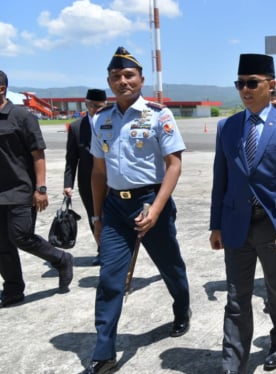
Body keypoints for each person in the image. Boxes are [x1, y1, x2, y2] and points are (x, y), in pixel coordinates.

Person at [84, 47, 191, 374]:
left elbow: (174, 165)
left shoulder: (159, 115)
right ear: (109, 81)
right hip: (116, 208)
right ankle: (104, 352)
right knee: (110, 279)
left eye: (129, 75)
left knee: (169, 265)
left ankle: (182, 308)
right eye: (116, 77)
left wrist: (157, 208)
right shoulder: (100, 119)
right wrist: (98, 217)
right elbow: (98, 174)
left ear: (141, 80)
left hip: (150, 200)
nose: (122, 81)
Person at [209, 53, 276, 374]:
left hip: (273, 226)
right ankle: (233, 365)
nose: (245, 89)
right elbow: (220, 180)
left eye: (252, 83)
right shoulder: (227, 127)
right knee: (237, 299)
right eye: (240, 84)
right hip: (236, 225)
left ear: (271, 84)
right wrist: (216, 225)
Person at [0, 70, 74, 308]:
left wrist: (40, 188)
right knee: (2, 244)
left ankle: (61, 258)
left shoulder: (21, 116)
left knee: (21, 235)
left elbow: (38, 154)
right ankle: (13, 290)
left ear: (1, 89)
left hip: (21, 189)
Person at [63, 88, 107, 266]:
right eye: (92, 105)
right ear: (86, 104)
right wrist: (68, 184)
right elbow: (71, 158)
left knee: (111, 216)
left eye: (99, 106)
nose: (95, 109)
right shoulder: (76, 127)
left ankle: (114, 250)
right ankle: (101, 250)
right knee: (94, 216)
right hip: (87, 181)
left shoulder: (111, 123)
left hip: (112, 180)